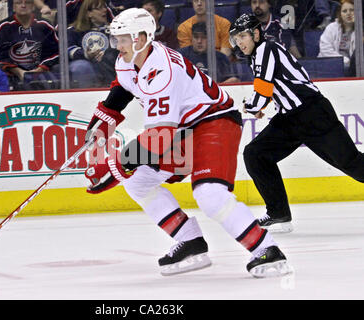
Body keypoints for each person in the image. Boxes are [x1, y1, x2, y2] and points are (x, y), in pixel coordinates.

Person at [83, 8, 292, 278]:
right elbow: (124, 87)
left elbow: (159, 138)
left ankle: (266, 249)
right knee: (138, 181)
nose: (117, 45)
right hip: (183, 128)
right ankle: (191, 241)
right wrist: (102, 123)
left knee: (210, 194)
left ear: (142, 38)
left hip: (215, 121)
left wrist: (114, 166)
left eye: (123, 38)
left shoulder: (162, 71)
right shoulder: (130, 58)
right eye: (117, 39)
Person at [229, 13, 364, 233]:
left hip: (312, 114)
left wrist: (253, 106)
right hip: (290, 119)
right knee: (255, 154)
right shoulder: (257, 55)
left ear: (255, 33)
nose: (239, 42)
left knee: (353, 165)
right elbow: (273, 86)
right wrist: (261, 105)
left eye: (243, 36)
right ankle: (278, 213)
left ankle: (278, 213)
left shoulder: (266, 49)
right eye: (236, 38)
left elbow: (263, 88)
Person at [0, 0, 60, 90]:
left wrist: (40, 69)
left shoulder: (44, 25)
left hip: (41, 71)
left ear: (33, 7)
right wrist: (19, 71)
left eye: (27, 2)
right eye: (19, 3)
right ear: (14, 7)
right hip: (12, 74)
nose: (23, 5)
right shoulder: (4, 26)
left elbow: (56, 52)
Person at [67, 0, 118, 88]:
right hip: (85, 63)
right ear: (89, 13)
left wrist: (107, 53)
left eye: (104, 7)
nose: (104, 10)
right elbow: (69, 50)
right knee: (81, 66)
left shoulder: (113, 29)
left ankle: (112, 90)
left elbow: (119, 48)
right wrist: (86, 54)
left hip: (107, 63)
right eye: (99, 8)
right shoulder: (74, 30)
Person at [318, 0, 355, 76]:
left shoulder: (359, 29)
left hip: (352, 67)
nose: (348, 13)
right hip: (330, 64)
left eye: (352, 10)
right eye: (344, 11)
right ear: (340, 14)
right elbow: (325, 50)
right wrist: (345, 60)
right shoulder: (331, 28)